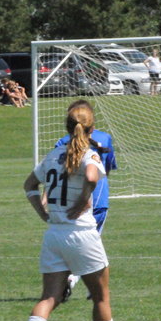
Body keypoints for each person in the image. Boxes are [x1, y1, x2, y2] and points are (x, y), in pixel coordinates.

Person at [20, 105, 133, 321]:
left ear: (67, 127)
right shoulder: (89, 154)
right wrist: (83, 199)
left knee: (49, 297)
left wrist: (42, 212)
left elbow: (29, 185)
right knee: (100, 296)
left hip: (54, 234)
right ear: (92, 129)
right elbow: (92, 176)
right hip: (81, 234)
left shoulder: (53, 154)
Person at [55, 100, 117, 300]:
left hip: (68, 200)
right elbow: (106, 168)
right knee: (91, 242)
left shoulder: (62, 142)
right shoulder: (104, 138)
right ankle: (82, 282)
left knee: (71, 242)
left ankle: (77, 282)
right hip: (97, 198)